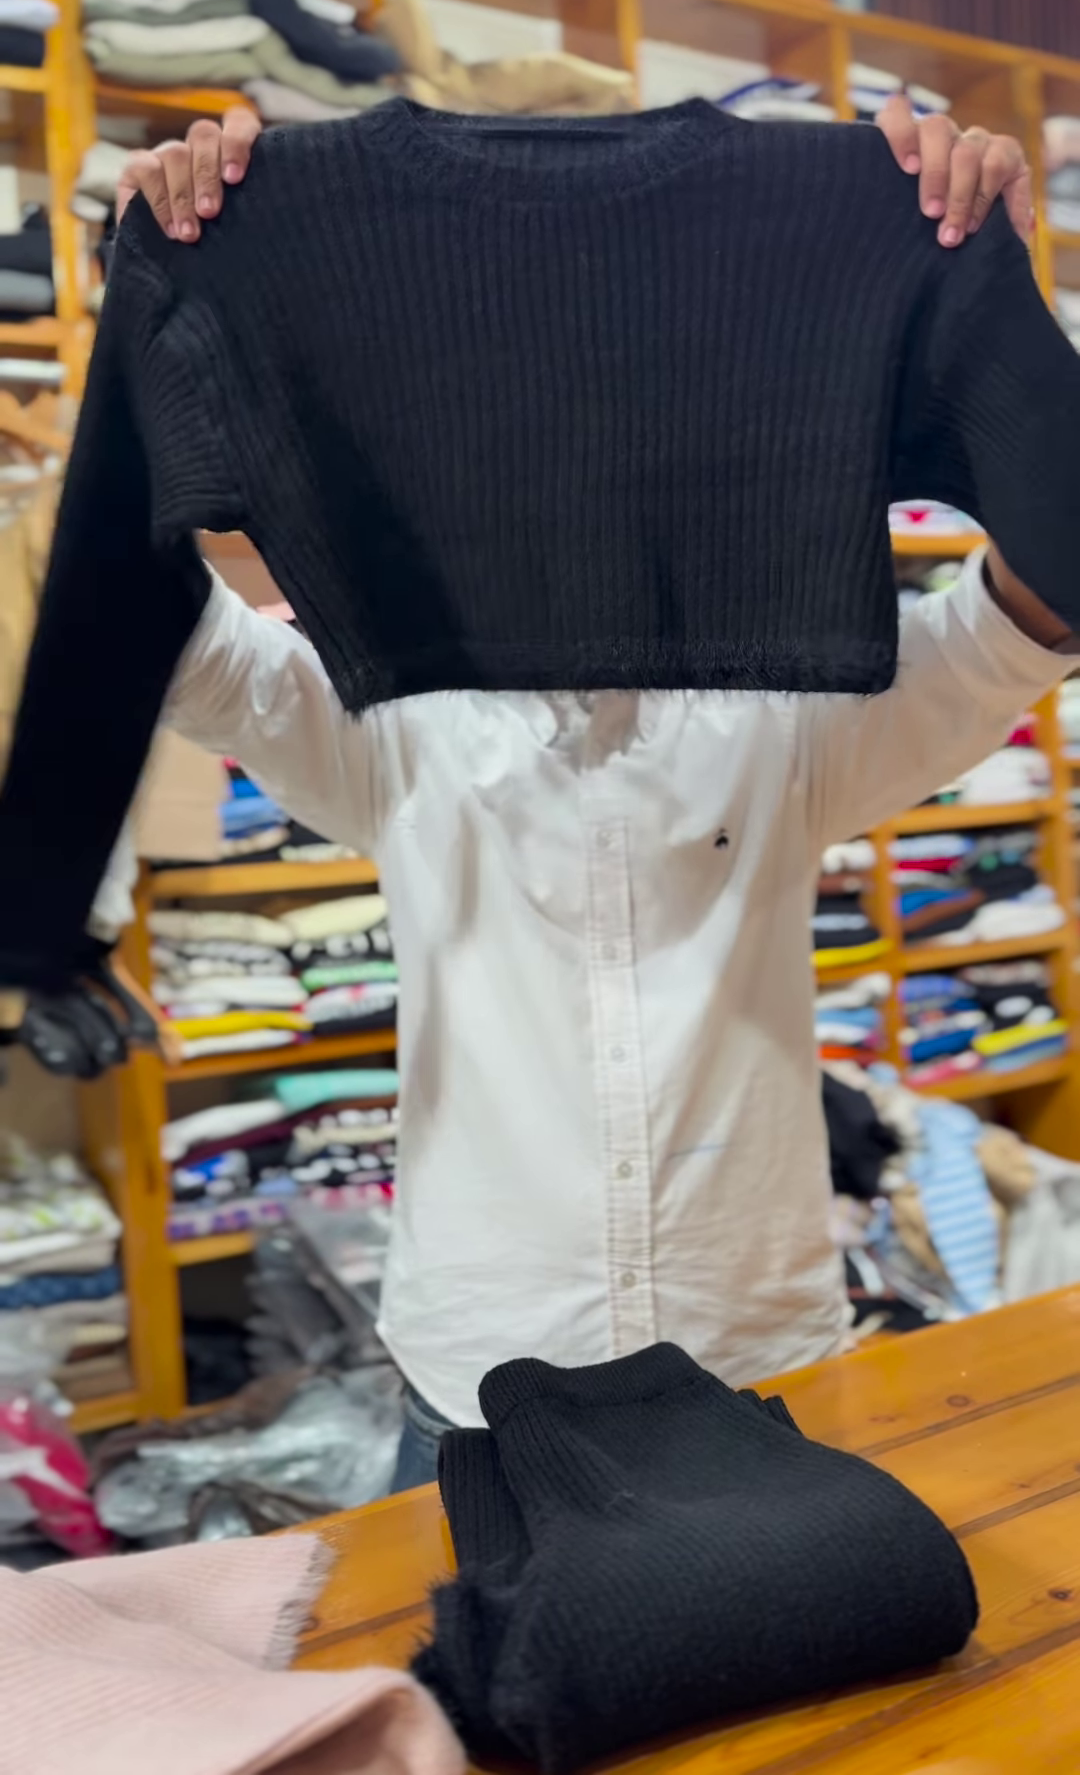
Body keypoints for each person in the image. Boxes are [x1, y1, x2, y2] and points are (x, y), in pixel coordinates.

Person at [116, 97, 1069, 1492]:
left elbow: (1034, 611)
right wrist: (156, 311)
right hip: (482, 1379)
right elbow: (162, 629)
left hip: (759, 1360)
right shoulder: (390, 709)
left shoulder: (791, 701)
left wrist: (997, 316)